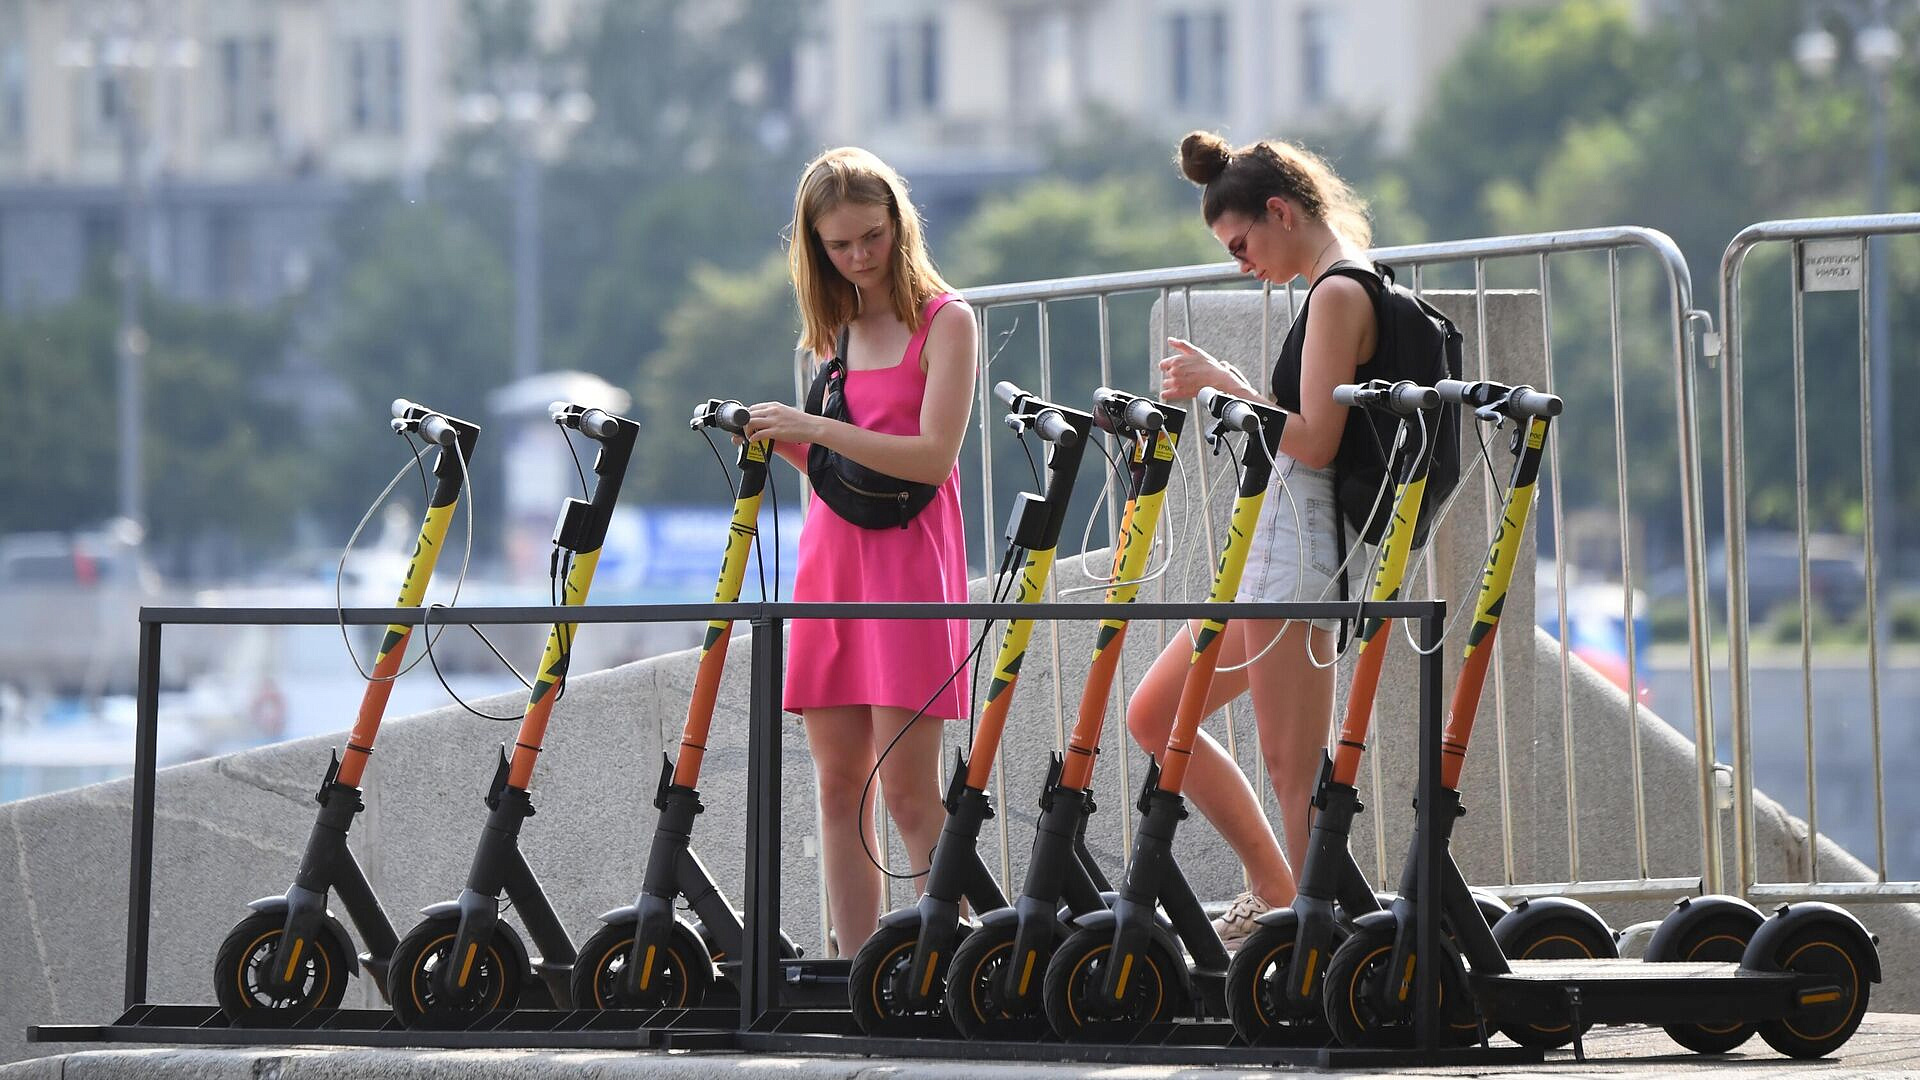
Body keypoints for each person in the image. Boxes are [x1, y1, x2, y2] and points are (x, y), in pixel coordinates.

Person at [1125, 130, 1379, 948]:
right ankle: (1281, 892)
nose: (1241, 263)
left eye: (1243, 244)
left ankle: (1315, 938)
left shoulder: (1339, 292)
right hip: (1277, 547)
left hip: (1296, 550)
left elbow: (1313, 441)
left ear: (1279, 211)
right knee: (1157, 714)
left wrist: (1220, 383)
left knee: (1291, 766)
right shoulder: (1330, 288)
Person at [742, 147, 978, 956]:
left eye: (871, 237)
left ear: (898, 225)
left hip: (910, 570)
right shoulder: (833, 329)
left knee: (911, 797)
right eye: (838, 246)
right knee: (837, 790)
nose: (859, 257)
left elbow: (931, 458)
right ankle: (854, 970)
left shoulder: (947, 319)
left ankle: (958, 963)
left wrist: (810, 426)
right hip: (833, 565)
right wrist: (780, 440)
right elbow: (844, 473)